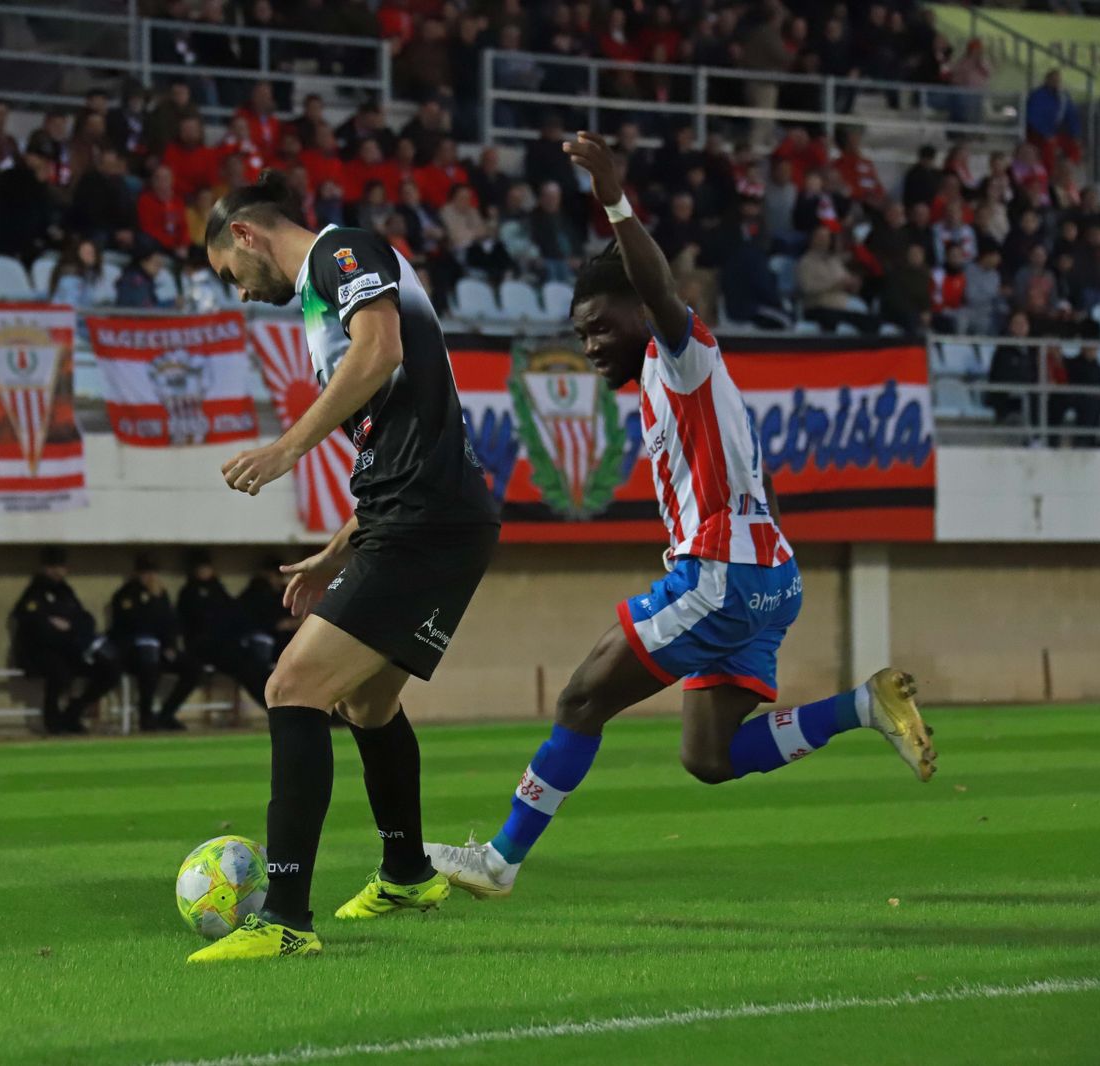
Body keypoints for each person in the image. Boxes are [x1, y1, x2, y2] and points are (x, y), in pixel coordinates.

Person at [424, 132, 936, 901]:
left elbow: (660, 287)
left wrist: (614, 197)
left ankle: (499, 860)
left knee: (580, 701)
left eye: (600, 325)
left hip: (720, 576)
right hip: (770, 578)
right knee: (710, 756)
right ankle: (864, 705)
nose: (591, 344)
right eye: (580, 333)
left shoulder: (679, 353)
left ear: (641, 307)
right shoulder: (669, 382)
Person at [189, 170, 500, 962]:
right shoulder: (323, 303)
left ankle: (285, 919)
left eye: (232, 272)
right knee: (365, 706)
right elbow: (396, 438)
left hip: (428, 522)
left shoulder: (343, 253)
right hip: (421, 516)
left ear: (248, 236)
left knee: (292, 688)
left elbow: (384, 349)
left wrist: (288, 446)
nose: (239, 290)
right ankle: (407, 874)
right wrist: (339, 547)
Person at [8, 547, 121, 735]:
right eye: (55, 567)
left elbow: (85, 619)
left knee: (110, 670)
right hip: (41, 652)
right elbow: (37, 626)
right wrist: (63, 629)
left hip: (71, 649)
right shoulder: (34, 594)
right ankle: (52, 721)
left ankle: (73, 713)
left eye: (61, 566)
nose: (60, 571)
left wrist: (69, 628)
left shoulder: (65, 592)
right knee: (59, 673)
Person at [107, 555, 204, 732]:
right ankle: (146, 717)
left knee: (194, 668)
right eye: (145, 573)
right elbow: (134, 623)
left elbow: (170, 623)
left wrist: (170, 645)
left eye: (152, 573)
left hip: (160, 649)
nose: (149, 577)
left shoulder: (161, 594)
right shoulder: (126, 595)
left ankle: (166, 715)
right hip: (133, 652)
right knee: (149, 668)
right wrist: (152, 602)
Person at [176, 550, 270, 710]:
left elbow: (234, 615)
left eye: (206, 567)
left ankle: (279, 706)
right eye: (200, 568)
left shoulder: (218, 590)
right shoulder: (189, 593)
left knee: (256, 665)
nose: (204, 571)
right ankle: (273, 708)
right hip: (205, 647)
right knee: (247, 669)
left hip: (226, 644)